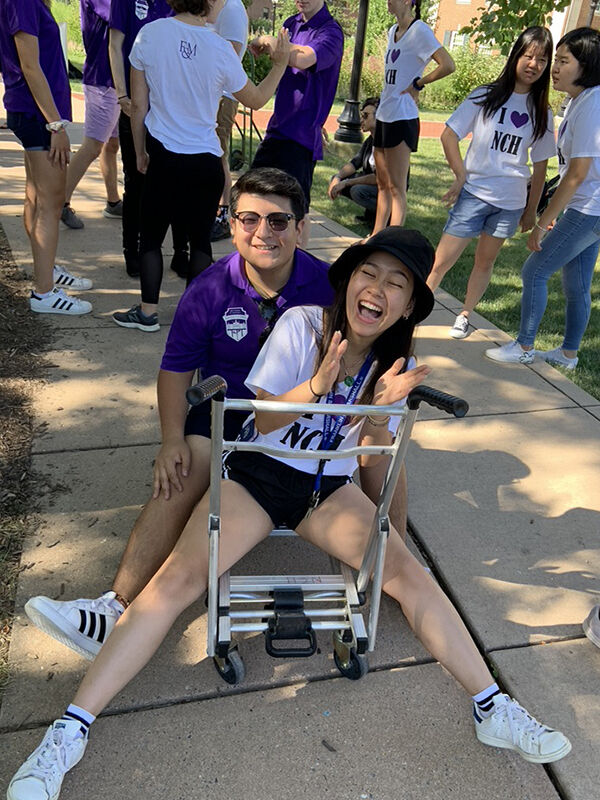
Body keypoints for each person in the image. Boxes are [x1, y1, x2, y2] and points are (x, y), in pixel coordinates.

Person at [8, 227, 572, 800]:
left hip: (326, 486)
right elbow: (264, 423)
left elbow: (365, 452)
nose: (377, 289)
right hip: (259, 474)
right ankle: (67, 733)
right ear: (349, 282)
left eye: (396, 283)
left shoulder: (393, 362)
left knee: (407, 575)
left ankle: (492, 707)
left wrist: (378, 413)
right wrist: (318, 384)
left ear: (407, 305)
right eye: (368, 274)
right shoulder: (302, 324)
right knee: (176, 580)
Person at [24, 167, 410, 658]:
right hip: (224, 411)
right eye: (249, 218)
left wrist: (373, 410)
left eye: (278, 221)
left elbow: (374, 340)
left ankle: (397, 571)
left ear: (301, 227)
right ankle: (113, 607)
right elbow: (174, 370)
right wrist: (169, 440)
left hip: (312, 415)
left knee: (391, 458)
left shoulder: (329, 283)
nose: (262, 233)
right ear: (230, 224)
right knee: (181, 472)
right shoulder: (207, 288)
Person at [110, 1, 291, 332]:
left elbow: (139, 106)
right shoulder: (220, 48)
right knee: (200, 242)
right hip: (205, 159)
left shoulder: (150, 35)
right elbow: (255, 98)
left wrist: (139, 152)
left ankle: (148, 311)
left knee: (150, 238)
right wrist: (279, 65)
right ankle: (191, 315)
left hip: (163, 154)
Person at [427, 27, 556, 340]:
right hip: (473, 194)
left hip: (510, 203)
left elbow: (540, 170)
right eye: (528, 55)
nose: (533, 64)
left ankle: (465, 314)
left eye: (542, 59)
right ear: (516, 56)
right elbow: (449, 135)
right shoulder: (485, 95)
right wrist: (461, 175)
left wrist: (531, 212)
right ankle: (413, 309)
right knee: (441, 261)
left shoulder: (543, 113)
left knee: (485, 263)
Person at [486, 27, 600, 370]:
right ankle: (568, 354)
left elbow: (577, 174)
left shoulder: (592, 105)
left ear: (587, 65)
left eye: (564, 61)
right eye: (558, 60)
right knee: (577, 283)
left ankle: (524, 345)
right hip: (589, 207)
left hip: (587, 209)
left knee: (534, 270)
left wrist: (542, 222)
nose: (555, 67)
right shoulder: (582, 101)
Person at [0, 0, 94, 316]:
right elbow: (29, 65)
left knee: (38, 198)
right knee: (52, 203)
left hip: (32, 111)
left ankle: (47, 271)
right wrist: (55, 123)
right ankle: (44, 292)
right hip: (37, 114)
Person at [108, 0, 189, 278]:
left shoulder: (175, 4)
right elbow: (115, 45)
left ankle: (180, 253)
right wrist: (122, 95)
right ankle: (133, 251)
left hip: (169, 110)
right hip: (135, 106)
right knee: (137, 183)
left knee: (176, 186)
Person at [248, 0, 344, 214]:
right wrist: (274, 46)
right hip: (277, 129)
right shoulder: (291, 23)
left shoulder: (331, 32)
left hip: (302, 137)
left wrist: (266, 39)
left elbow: (303, 59)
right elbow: (281, 56)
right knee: (252, 198)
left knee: (294, 214)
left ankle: (295, 248)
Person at [369, 0, 454, 237]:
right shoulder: (392, 31)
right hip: (384, 114)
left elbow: (448, 65)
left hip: (402, 117)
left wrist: (419, 83)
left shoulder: (420, 31)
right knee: (382, 184)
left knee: (397, 188)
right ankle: (376, 237)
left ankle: (394, 241)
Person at [59, 0, 123, 230]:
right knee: (93, 145)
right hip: (103, 80)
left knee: (111, 144)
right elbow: (120, 15)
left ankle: (113, 201)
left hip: (117, 81)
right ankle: (61, 202)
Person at [209, 0, 249, 242]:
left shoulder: (232, 7)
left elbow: (231, 54)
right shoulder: (221, 5)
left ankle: (223, 214)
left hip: (223, 96)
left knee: (218, 155)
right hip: (212, 94)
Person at [328, 96, 379, 223]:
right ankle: (371, 216)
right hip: (371, 183)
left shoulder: (386, 143)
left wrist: (347, 182)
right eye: (362, 115)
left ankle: (385, 217)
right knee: (337, 178)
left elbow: (379, 178)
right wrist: (338, 178)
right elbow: (355, 163)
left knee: (358, 191)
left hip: (386, 188)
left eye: (366, 116)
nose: (361, 120)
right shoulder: (370, 141)